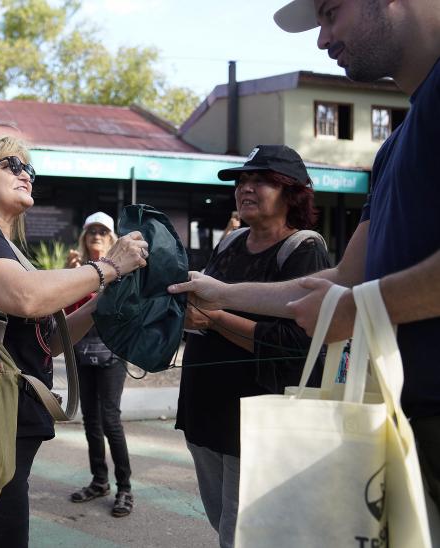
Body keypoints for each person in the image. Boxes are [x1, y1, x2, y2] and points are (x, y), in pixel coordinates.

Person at [169, 0, 440, 515]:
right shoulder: (394, 146)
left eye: (331, 12)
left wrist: (362, 307)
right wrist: (219, 291)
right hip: (404, 424)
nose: (322, 39)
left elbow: (348, 299)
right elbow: (344, 279)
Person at [0, 135, 148, 547]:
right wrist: (110, 266)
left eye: (29, 167)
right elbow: (24, 298)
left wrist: (101, 303)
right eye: (10, 164)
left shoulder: (4, 245)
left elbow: (47, 340)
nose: (24, 173)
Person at [175, 146, 330, 548]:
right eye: (242, 181)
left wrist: (215, 318)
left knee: (243, 536)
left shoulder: (304, 249)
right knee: (223, 522)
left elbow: (296, 346)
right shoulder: (231, 242)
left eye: (260, 180)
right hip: (205, 412)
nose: (246, 188)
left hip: (258, 422)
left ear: (292, 192)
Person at [65, 212, 133, 518]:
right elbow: (65, 314)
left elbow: (127, 311)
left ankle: (125, 488)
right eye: (91, 230)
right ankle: (99, 481)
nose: (96, 235)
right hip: (83, 353)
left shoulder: (123, 271)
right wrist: (69, 279)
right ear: (84, 237)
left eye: (102, 231)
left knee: (110, 419)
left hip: (112, 354)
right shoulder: (76, 271)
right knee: (91, 419)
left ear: (112, 238)